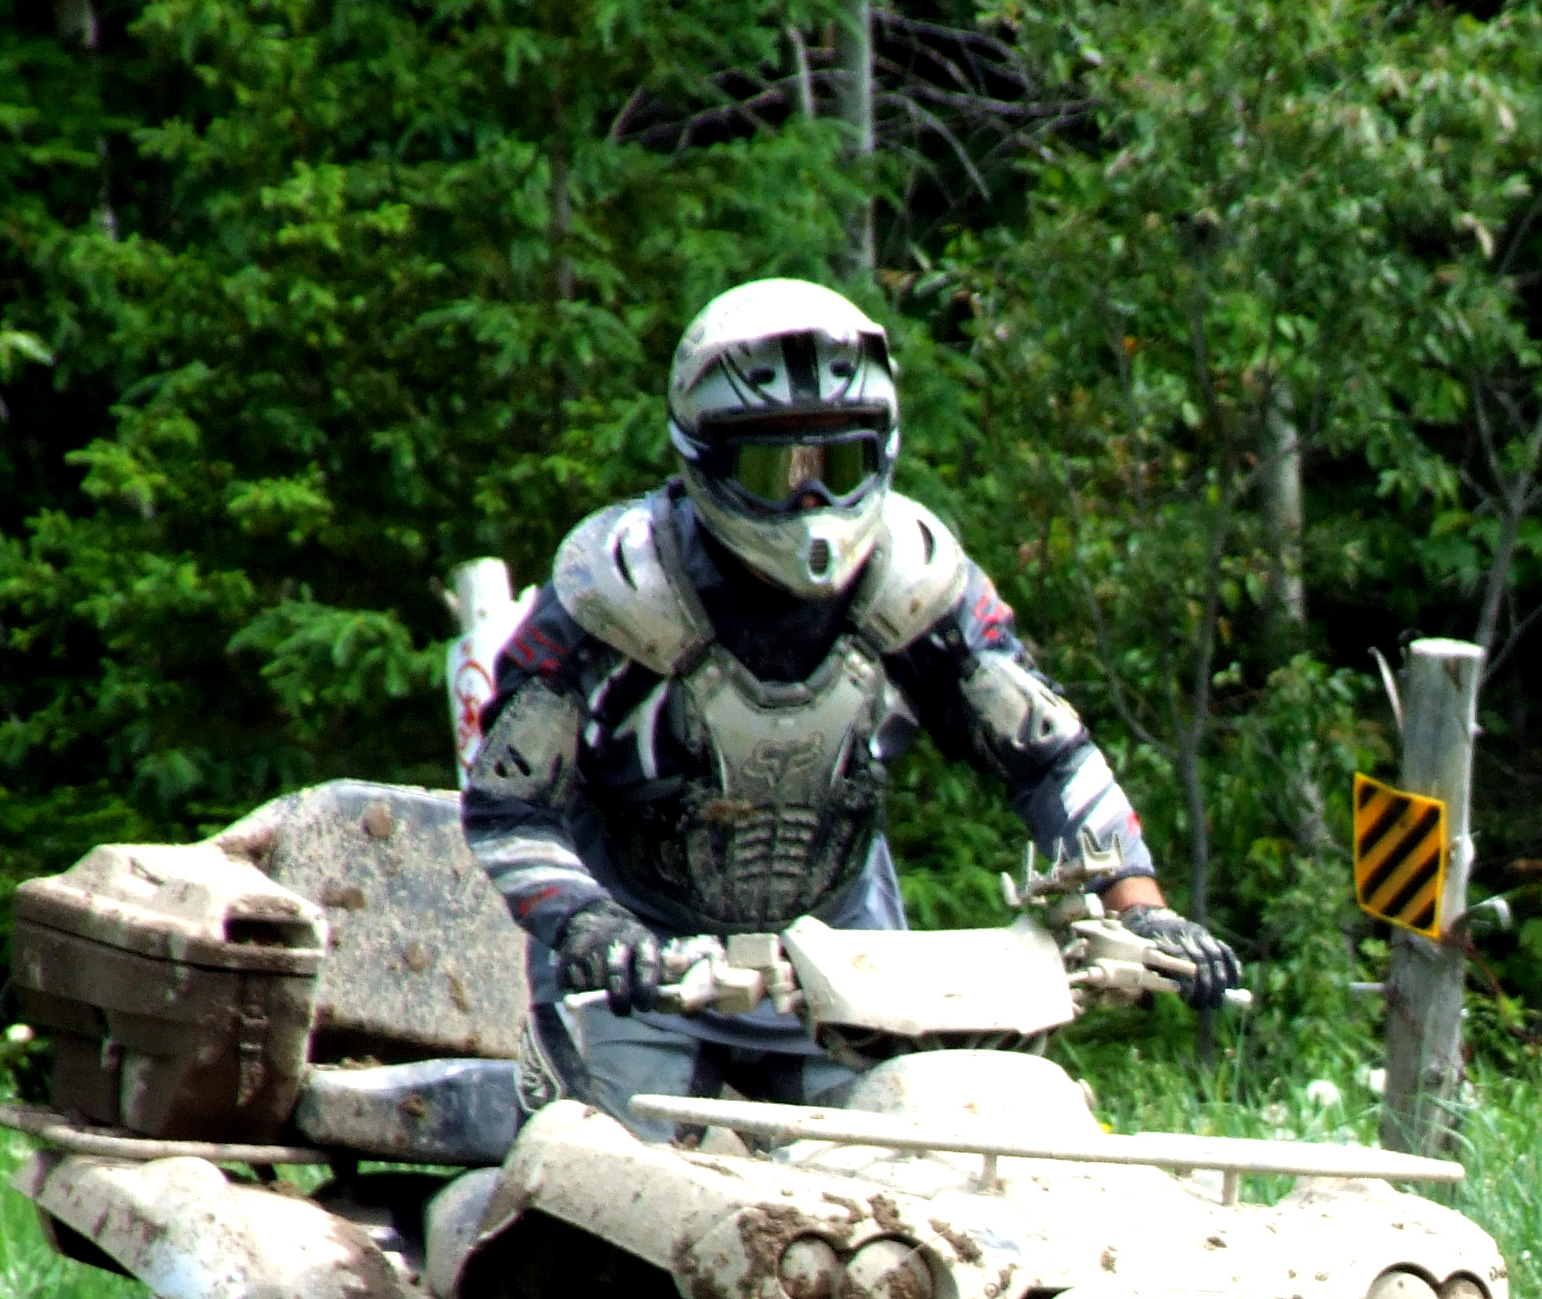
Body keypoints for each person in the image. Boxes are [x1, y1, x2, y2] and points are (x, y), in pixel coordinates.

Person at [463, 278, 1239, 1125]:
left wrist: (1143, 910)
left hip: (841, 960)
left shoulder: (916, 582)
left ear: (883, 452)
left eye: (837, 466)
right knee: (607, 1179)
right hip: (638, 968)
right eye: (776, 469)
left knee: (925, 1172)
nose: (811, 503)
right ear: (704, 458)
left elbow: (1047, 752)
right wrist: (587, 926)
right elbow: (507, 807)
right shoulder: (614, 586)